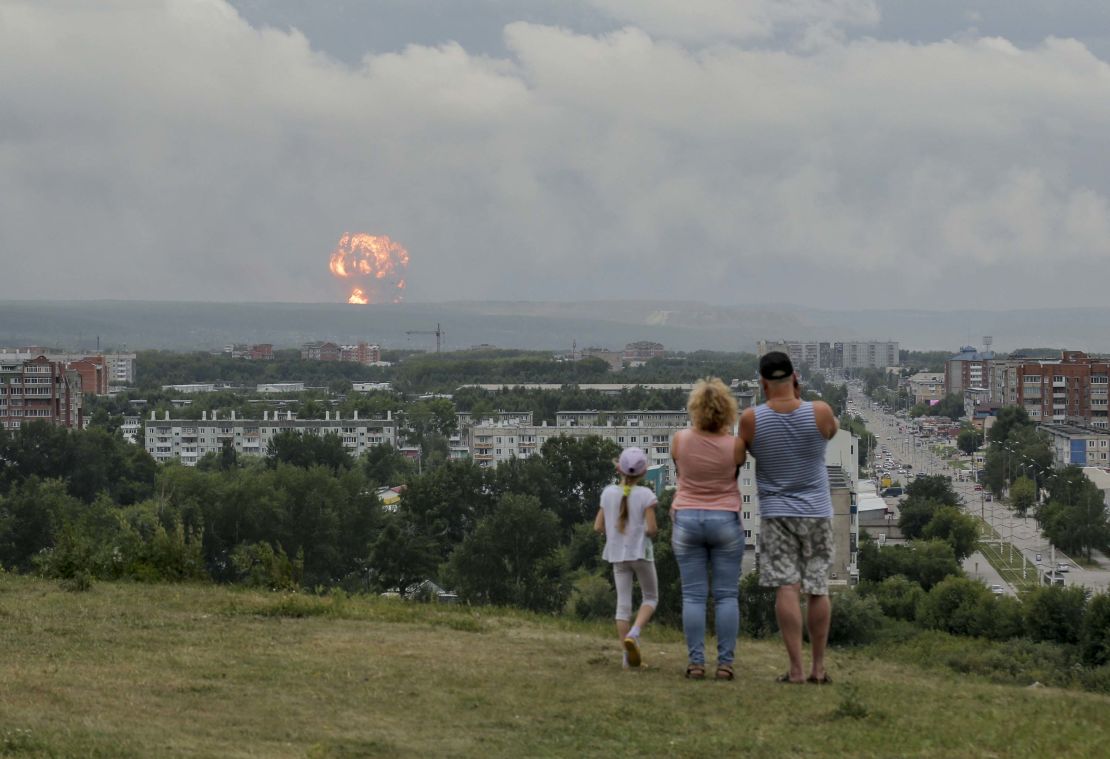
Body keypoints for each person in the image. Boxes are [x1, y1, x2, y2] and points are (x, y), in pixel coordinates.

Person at [739, 351, 838, 685]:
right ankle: (818, 668)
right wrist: (799, 397)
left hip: (776, 513)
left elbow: (744, 451)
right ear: (795, 377)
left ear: (763, 383)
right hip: (817, 512)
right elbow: (831, 431)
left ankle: (795, 669)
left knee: (787, 587)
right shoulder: (820, 411)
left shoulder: (751, 419)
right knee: (818, 588)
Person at [669, 377, 746, 680]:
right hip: (725, 519)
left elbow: (680, 469)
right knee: (726, 596)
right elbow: (735, 472)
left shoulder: (680, 440)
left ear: (695, 409)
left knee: (693, 596)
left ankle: (696, 663)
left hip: (687, 519)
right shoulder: (735, 445)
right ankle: (725, 664)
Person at [594, 446, 659, 669]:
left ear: (619, 469)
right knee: (650, 598)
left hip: (617, 555)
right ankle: (635, 632)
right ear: (643, 473)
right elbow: (651, 529)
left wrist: (615, 532)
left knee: (623, 607)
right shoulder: (646, 495)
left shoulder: (607, 493)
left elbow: (598, 526)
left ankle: (627, 658)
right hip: (641, 553)